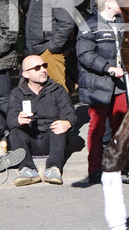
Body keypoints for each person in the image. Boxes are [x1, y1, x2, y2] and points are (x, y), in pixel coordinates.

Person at [76, 0, 127, 184]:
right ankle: (95, 168)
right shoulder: (90, 25)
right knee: (97, 129)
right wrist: (108, 69)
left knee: (121, 127)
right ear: (108, 3)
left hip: (121, 85)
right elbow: (85, 55)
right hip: (98, 84)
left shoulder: (123, 23)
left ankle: (119, 165)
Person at [7, 54, 77, 186]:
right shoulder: (17, 93)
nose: (43, 70)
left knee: (58, 127)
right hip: (30, 140)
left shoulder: (57, 90)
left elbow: (70, 113)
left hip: (51, 140)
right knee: (15, 131)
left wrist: (67, 123)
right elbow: (10, 119)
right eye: (37, 68)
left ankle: (53, 168)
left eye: (44, 66)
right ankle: (27, 170)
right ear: (26, 74)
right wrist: (18, 119)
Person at [25, 0, 78, 95]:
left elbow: (66, 23)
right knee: (47, 93)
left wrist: (52, 47)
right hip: (37, 50)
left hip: (49, 51)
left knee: (57, 93)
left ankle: (64, 115)